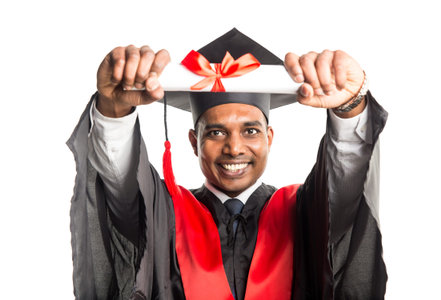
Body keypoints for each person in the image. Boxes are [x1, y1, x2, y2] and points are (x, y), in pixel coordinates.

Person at [67, 29, 388, 300]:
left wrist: (350, 105)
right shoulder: (167, 212)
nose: (234, 148)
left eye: (250, 130)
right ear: (194, 141)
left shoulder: (301, 209)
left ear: (269, 137)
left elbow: (344, 195)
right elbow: (122, 190)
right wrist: (114, 110)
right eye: (217, 132)